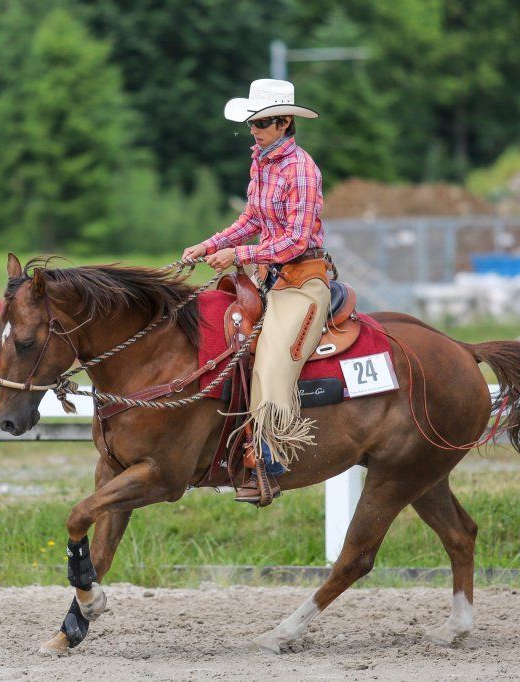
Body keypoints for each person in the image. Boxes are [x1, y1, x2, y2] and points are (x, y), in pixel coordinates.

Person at [182, 78, 332, 506]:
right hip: (268, 278)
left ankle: (270, 455)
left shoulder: (300, 169)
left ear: (285, 123)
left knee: (272, 358)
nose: (254, 129)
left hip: (302, 280)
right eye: (252, 123)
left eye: (263, 123)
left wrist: (238, 254)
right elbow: (251, 219)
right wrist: (209, 245)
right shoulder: (262, 163)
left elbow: (296, 241)